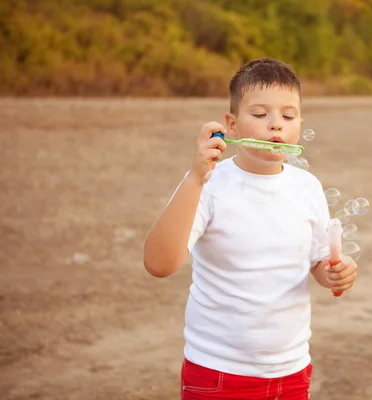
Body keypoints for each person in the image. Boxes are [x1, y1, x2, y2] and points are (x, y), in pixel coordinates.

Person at [143, 57, 359, 399]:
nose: (276, 126)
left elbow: (317, 263)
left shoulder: (307, 187)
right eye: (260, 115)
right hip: (217, 372)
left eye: (288, 116)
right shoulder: (209, 185)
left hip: (291, 370)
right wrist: (197, 176)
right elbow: (159, 263)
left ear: (300, 123)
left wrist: (333, 273)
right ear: (232, 124)